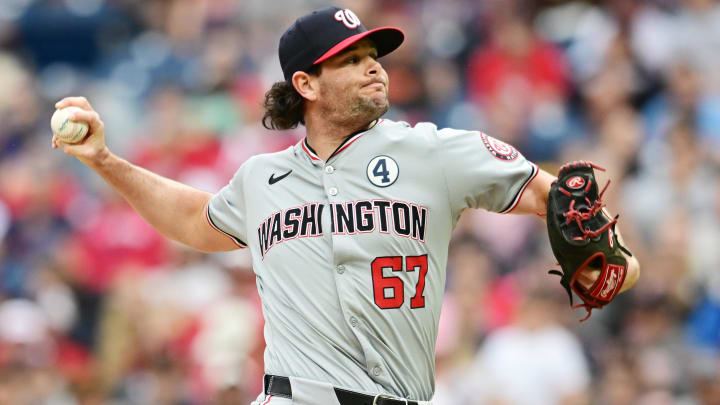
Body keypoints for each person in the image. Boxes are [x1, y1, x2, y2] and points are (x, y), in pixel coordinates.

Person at [52, 7, 640, 405]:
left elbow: (555, 196)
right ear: (306, 84)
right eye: (351, 59)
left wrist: (612, 260)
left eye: (373, 55)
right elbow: (196, 220)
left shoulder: (434, 151)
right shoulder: (264, 177)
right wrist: (105, 160)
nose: (374, 66)